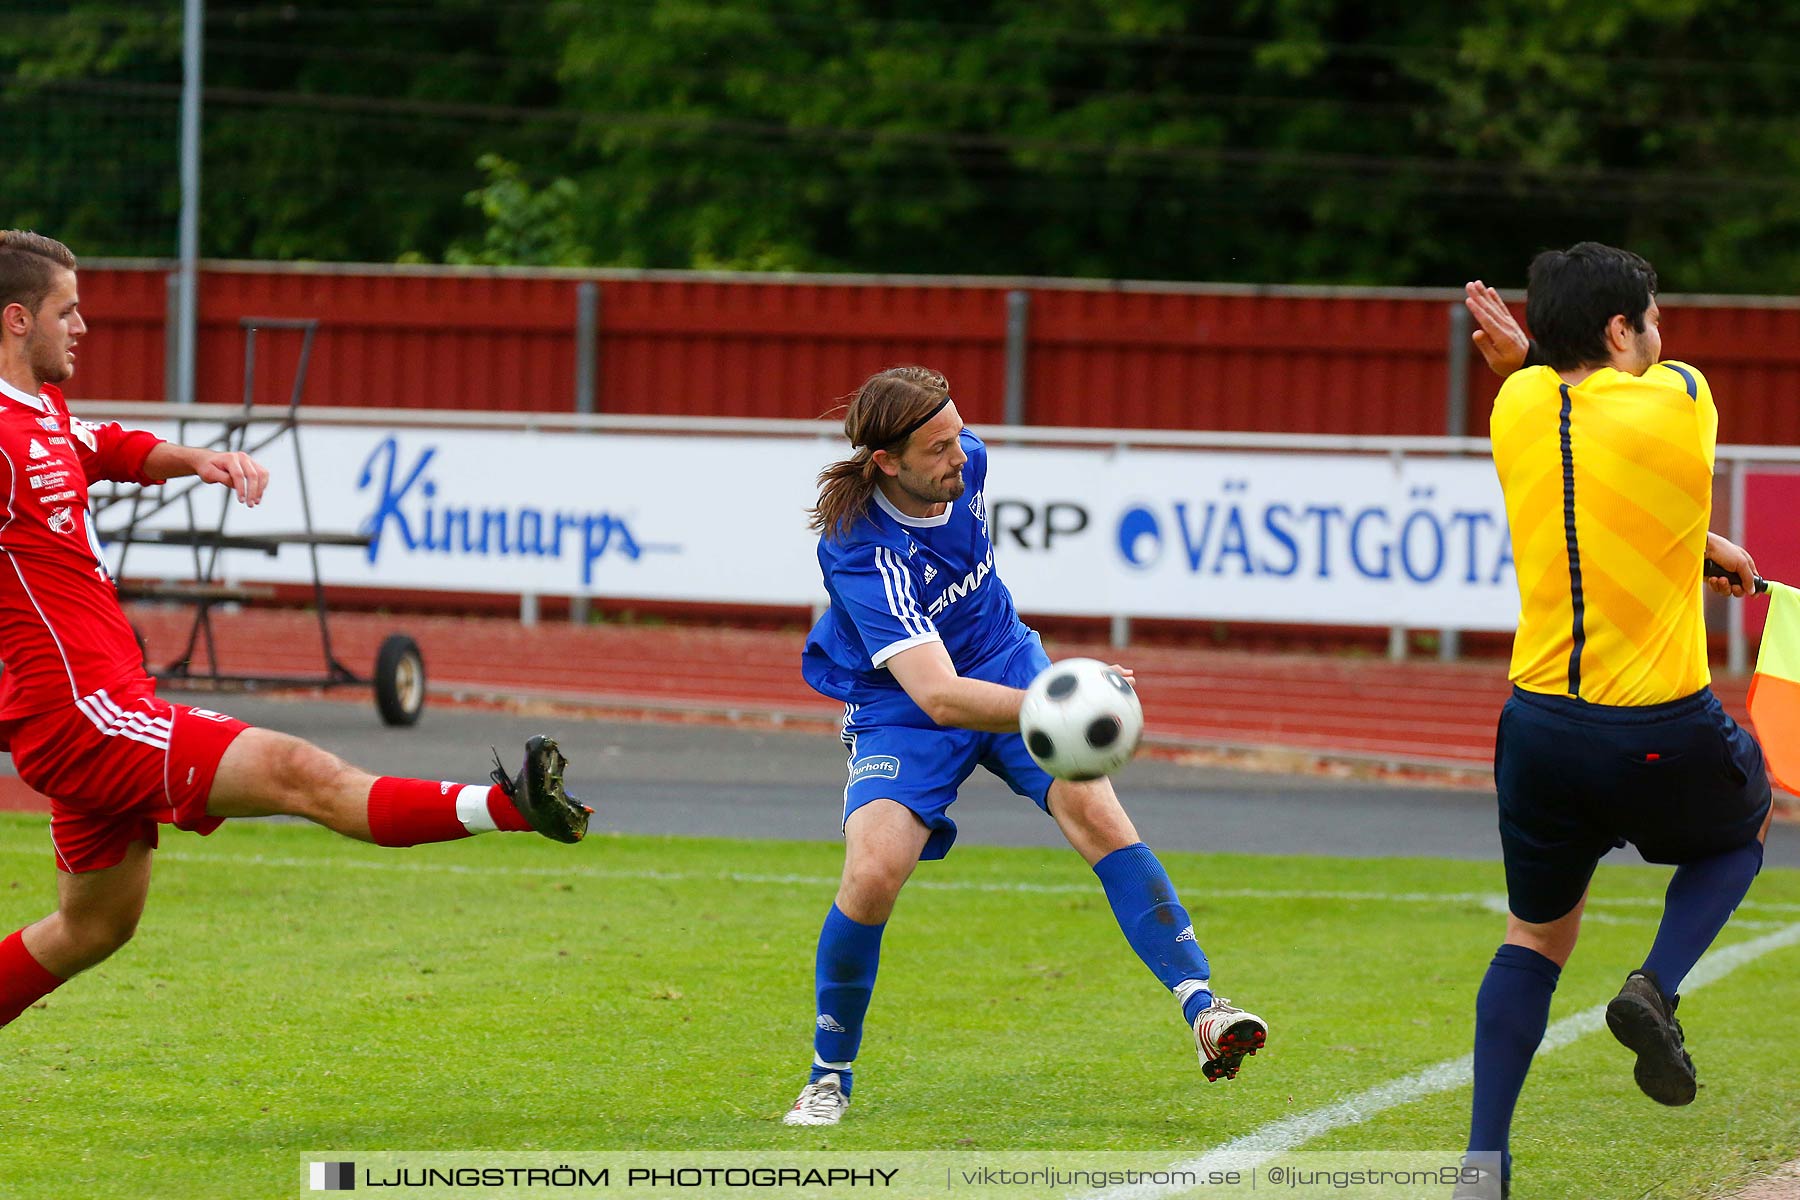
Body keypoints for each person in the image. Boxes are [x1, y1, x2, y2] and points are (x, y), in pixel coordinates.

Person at [0, 230, 593, 1034]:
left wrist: (196, 458)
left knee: (93, 928)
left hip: (92, 704)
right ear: (15, 321)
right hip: (86, 714)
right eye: (67, 312)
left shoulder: (39, 409)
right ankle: (511, 805)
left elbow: (102, 446)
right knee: (297, 771)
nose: (84, 327)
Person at [780, 365, 1266, 1126]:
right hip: (905, 703)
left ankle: (1203, 1008)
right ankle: (829, 1073)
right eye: (937, 448)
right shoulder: (857, 549)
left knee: (1098, 815)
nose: (960, 457)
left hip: (1006, 659)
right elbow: (938, 696)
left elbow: (979, 660)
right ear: (887, 462)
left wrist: (1049, 687)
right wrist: (1066, 701)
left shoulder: (967, 461)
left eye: (958, 435)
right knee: (873, 871)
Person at [1453, 244, 1772, 1199]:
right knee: (1744, 828)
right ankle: (1655, 988)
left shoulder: (1515, 407)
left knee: (1534, 938)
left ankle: (1483, 1163)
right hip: (1657, 725)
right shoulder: (1682, 399)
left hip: (1539, 726)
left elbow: (1564, 412)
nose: (1663, 335)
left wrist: (1694, 542)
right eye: (1653, 319)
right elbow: (1626, 418)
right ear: (1621, 331)